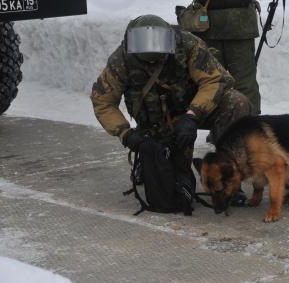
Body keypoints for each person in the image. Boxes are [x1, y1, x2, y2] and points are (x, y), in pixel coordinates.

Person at [90, 15, 251, 210]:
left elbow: (215, 80)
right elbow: (103, 100)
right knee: (174, 185)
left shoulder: (188, 45)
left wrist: (193, 115)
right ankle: (150, 160)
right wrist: (126, 133)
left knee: (237, 102)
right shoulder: (121, 59)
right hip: (158, 122)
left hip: (194, 109)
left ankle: (229, 177)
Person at [193, 0, 261, 116]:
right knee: (245, 82)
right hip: (240, 22)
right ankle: (250, 127)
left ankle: (217, 127)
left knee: (212, 81)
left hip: (207, 22)